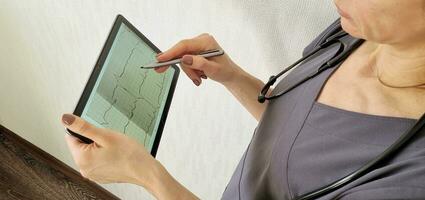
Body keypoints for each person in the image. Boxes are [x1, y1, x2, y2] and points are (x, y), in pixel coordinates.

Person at [61, 0, 425, 199]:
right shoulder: (355, 34)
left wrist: (147, 175)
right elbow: (300, 131)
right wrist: (232, 75)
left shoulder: (412, 178)